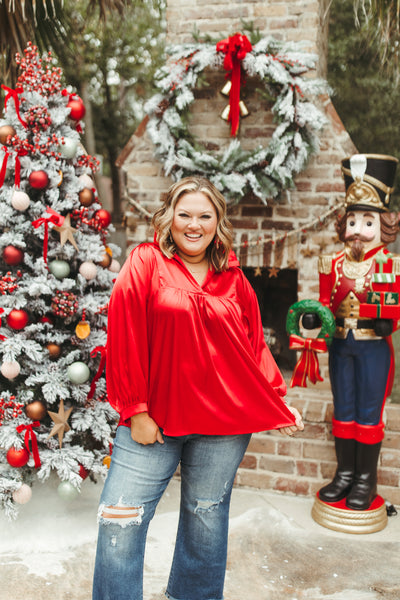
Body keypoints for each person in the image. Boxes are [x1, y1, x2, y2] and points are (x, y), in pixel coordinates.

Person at [92, 176, 304, 600]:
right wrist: (136, 410)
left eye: (204, 216)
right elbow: (125, 332)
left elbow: (252, 348)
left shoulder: (236, 281)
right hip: (153, 422)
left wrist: (277, 401)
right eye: (184, 214)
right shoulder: (146, 261)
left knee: (205, 519)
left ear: (218, 223)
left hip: (222, 427)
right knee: (120, 518)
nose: (194, 224)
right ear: (168, 218)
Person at [307, 154, 400, 511]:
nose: (358, 229)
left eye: (367, 221)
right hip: (340, 345)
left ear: (382, 224)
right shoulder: (332, 263)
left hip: (374, 348)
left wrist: (388, 322)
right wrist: (315, 319)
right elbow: (322, 300)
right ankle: (344, 473)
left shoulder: (388, 264)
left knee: (367, 410)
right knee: (343, 408)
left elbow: (397, 304)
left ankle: (365, 478)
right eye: (353, 220)